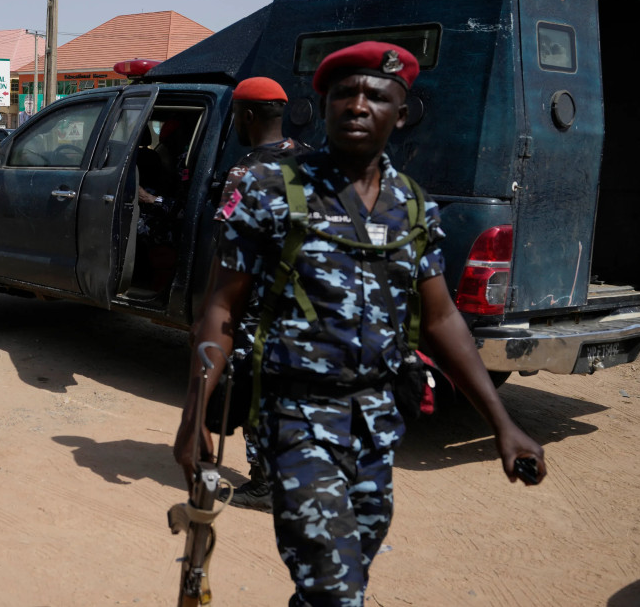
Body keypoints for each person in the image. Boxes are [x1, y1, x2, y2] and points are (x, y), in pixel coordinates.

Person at [173, 42, 547, 606]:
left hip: (377, 421)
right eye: (344, 93)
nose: (357, 105)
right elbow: (220, 308)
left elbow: (442, 319)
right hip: (295, 417)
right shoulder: (271, 192)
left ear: (402, 111)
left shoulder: (414, 207)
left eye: (377, 95)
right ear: (322, 107)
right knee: (336, 588)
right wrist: (194, 412)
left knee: (342, 580)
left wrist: (502, 422)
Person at [216, 76, 312, 512]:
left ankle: (265, 484)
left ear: (247, 116)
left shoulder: (246, 172)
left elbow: (228, 241)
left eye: (236, 114)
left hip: (263, 303)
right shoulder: (314, 161)